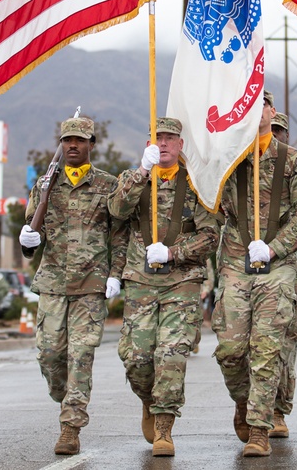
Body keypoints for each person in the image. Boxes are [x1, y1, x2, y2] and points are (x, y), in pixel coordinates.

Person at [107, 117, 220, 457]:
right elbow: (116, 211)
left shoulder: (196, 183)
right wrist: (142, 172)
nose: (165, 143)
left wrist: (175, 252)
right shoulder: (132, 178)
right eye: (158, 138)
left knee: (170, 354)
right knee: (137, 357)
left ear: (181, 144)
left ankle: (164, 427)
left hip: (181, 282)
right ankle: (149, 400)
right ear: (148, 145)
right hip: (140, 282)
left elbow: (210, 236)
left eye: (171, 138)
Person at [213, 90, 297, 458]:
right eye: (249, 101)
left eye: (263, 103)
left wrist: (275, 247)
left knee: (268, 347)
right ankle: (243, 400)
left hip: (279, 265)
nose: (256, 110)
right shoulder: (228, 157)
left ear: (272, 112)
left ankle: (260, 426)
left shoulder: (293, 161)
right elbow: (209, 198)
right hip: (236, 263)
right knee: (230, 349)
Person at [19, 115, 126, 456]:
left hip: (90, 286)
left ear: (92, 144)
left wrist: (115, 273)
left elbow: (120, 234)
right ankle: (64, 398)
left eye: (79, 140)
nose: (73, 146)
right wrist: (27, 240)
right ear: (61, 144)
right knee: (50, 357)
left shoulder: (108, 185)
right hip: (52, 284)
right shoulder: (45, 186)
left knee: (80, 355)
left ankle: (71, 426)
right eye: (67, 140)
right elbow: (33, 237)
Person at [266, 110, 297, 441]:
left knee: (284, 345)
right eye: (271, 130)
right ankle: (252, 407)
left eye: (280, 131)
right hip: (252, 270)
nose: (275, 135)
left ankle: (278, 410)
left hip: (295, 270)